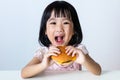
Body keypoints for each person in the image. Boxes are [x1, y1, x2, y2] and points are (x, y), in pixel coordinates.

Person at [21, 1, 101, 78]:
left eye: (65, 23)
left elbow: (98, 71)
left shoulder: (78, 50)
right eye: (53, 23)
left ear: (74, 30)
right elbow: (24, 73)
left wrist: (84, 61)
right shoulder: (44, 52)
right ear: (45, 30)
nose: (59, 28)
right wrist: (43, 65)